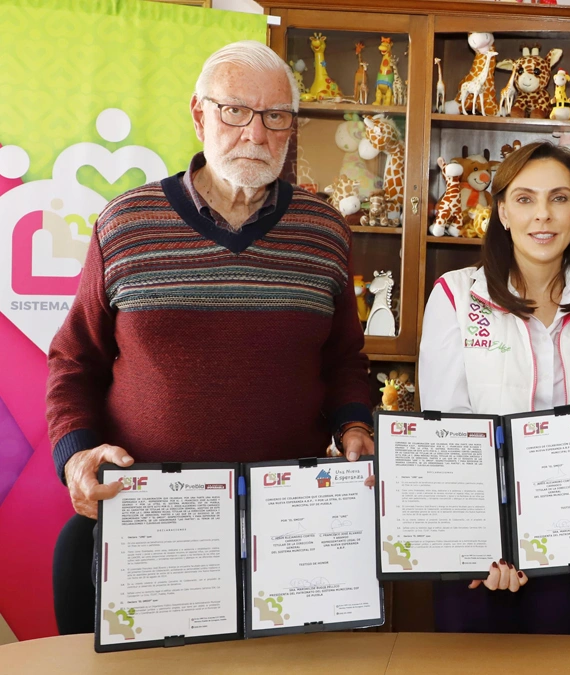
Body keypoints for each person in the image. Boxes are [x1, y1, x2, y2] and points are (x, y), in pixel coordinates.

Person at [46, 41, 375, 635]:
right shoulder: (126, 223)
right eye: (234, 111)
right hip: (153, 524)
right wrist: (76, 455)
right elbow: (75, 360)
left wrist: (353, 426)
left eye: (276, 116)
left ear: (292, 127)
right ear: (198, 114)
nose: (256, 132)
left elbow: (345, 359)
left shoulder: (323, 229)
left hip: (289, 525)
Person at [418, 141, 570, 634]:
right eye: (525, 198)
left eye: (558, 198)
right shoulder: (455, 296)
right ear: (503, 212)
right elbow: (447, 434)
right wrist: (488, 540)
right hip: (478, 557)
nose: (543, 216)